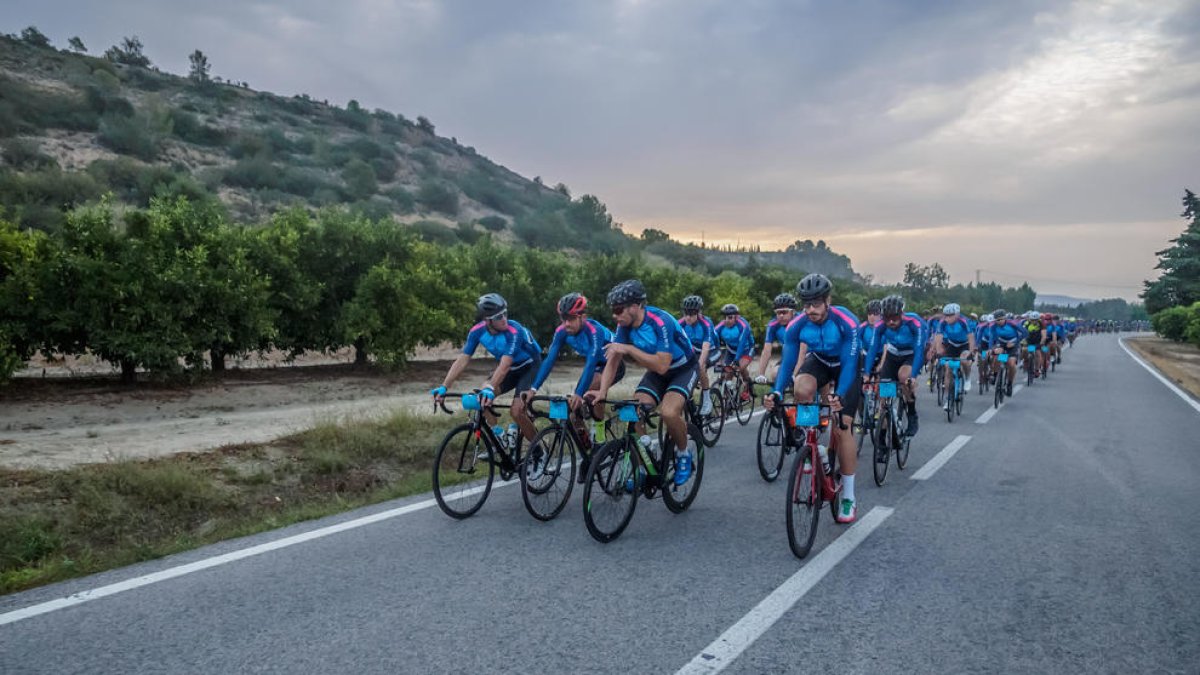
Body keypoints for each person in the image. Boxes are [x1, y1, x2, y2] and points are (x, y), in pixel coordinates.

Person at [764, 273, 862, 523]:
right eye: (806, 304)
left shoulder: (846, 322)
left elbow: (850, 364)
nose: (810, 310)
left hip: (846, 366)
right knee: (801, 388)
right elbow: (788, 363)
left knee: (842, 428)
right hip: (819, 360)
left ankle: (848, 496)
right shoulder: (797, 325)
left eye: (816, 303)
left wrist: (839, 394)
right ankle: (813, 445)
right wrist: (777, 391)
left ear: (828, 301)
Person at [590, 280, 699, 486]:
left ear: (636, 306)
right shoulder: (624, 325)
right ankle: (642, 466)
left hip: (683, 369)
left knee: (669, 413)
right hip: (656, 372)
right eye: (613, 310)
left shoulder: (661, 322)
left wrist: (629, 349)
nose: (614, 315)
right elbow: (613, 360)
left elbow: (662, 365)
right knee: (631, 412)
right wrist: (602, 392)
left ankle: (684, 453)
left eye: (618, 309)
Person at [526, 293, 623, 477]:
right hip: (594, 367)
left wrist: (579, 393)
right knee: (573, 416)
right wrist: (533, 388)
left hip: (612, 364)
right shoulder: (562, 332)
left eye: (570, 318)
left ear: (583, 317)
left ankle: (600, 438)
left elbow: (591, 363)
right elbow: (549, 360)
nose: (566, 323)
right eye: (563, 319)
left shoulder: (595, 331)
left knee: (589, 391)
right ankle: (588, 452)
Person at [432, 293, 542, 448]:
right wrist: (444, 386)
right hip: (511, 368)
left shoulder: (514, 330)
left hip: (530, 366)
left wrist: (490, 388)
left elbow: (504, 365)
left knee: (516, 411)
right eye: (498, 317)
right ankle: (499, 437)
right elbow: (462, 360)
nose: (504, 319)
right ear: (487, 320)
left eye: (505, 313)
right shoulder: (477, 332)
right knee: (481, 398)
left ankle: (538, 451)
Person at [862, 295, 927, 436]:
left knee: (904, 377)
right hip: (892, 355)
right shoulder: (880, 325)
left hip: (910, 354)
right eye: (887, 318)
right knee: (884, 397)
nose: (891, 322)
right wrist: (866, 373)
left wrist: (913, 376)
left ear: (902, 314)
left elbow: (919, 351)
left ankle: (912, 413)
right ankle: (882, 437)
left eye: (895, 318)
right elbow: (873, 349)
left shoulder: (914, 323)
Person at [678, 295, 719, 415]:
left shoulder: (706, 323)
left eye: (691, 314)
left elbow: (705, 348)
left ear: (698, 313)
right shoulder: (681, 323)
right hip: (695, 351)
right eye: (685, 313)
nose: (687, 317)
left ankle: (707, 398)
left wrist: (699, 366)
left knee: (700, 367)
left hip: (712, 350)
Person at [933, 302, 976, 406]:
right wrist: (938, 352)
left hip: (964, 344)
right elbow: (938, 338)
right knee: (948, 368)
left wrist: (971, 352)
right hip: (952, 344)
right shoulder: (943, 322)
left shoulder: (963, 321)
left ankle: (967, 378)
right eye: (946, 315)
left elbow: (971, 337)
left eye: (950, 315)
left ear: (957, 315)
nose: (947, 318)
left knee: (964, 360)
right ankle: (948, 399)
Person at [755, 293, 799, 386]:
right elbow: (766, 351)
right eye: (778, 313)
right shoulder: (773, 325)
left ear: (793, 312)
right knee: (775, 374)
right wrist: (761, 374)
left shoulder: (801, 321)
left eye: (784, 312)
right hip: (788, 358)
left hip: (806, 357)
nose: (781, 315)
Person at [714, 303, 755, 401]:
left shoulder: (743, 326)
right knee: (728, 371)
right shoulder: (720, 326)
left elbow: (741, 344)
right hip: (731, 350)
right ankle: (729, 395)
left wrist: (736, 360)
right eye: (725, 317)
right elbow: (713, 340)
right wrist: (716, 358)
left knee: (739, 367)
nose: (727, 320)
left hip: (746, 349)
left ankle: (747, 386)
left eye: (730, 317)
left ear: (737, 317)